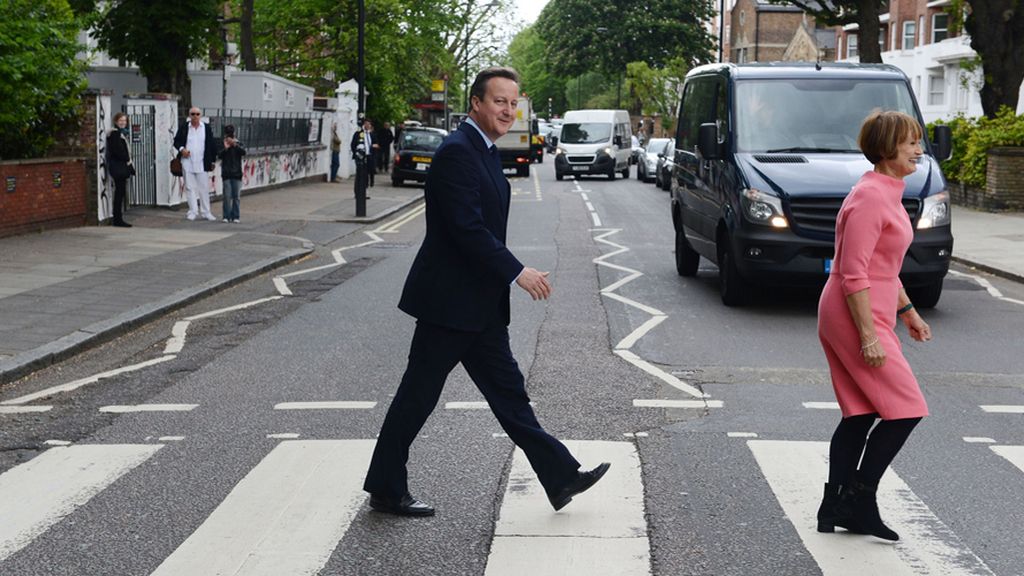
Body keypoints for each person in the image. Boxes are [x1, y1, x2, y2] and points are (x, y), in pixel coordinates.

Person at [363, 67, 610, 518]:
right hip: (450, 304)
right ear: (476, 103)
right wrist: (517, 272)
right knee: (417, 397)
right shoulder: (458, 152)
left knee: (510, 396)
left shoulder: (484, 151)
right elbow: (467, 229)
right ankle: (385, 486)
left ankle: (560, 476)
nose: (508, 111)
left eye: (513, 103)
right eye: (499, 101)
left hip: (480, 306)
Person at [815, 110, 932, 542]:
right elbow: (853, 273)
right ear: (886, 149)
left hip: (871, 309)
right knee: (907, 409)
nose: (918, 150)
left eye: (918, 142)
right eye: (910, 143)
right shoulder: (869, 198)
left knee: (861, 412)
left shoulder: (886, 192)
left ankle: (834, 505)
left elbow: (884, 266)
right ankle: (859, 500)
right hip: (853, 314)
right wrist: (868, 337)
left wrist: (908, 311)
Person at [173, 107, 219, 221]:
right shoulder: (184, 127)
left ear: (200, 115)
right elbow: (176, 141)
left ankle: (206, 212)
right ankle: (193, 211)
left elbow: (211, 144)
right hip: (187, 162)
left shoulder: (206, 128)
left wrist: (212, 160)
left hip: (202, 162)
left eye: (197, 114)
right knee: (189, 187)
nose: (195, 116)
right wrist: (182, 149)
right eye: (193, 114)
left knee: (204, 188)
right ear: (189, 115)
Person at [105, 112, 134, 228]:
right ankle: (117, 219)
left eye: (125, 121)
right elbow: (118, 151)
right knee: (119, 193)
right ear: (116, 121)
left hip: (120, 166)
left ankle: (118, 217)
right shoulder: (115, 134)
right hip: (119, 167)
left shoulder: (120, 134)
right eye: (121, 120)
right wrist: (126, 158)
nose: (123, 123)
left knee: (120, 193)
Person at [217, 125, 246, 223]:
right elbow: (219, 155)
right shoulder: (222, 144)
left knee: (236, 197)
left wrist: (235, 145)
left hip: (237, 174)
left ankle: (236, 216)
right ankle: (226, 216)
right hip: (226, 173)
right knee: (227, 196)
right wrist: (225, 148)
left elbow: (243, 152)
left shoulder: (238, 143)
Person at [351, 118, 377, 187]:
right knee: (363, 170)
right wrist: (356, 153)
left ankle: (371, 181)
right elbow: (353, 144)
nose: (367, 125)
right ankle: (365, 183)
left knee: (371, 169)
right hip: (362, 155)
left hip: (370, 154)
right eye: (366, 124)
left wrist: (374, 147)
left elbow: (376, 143)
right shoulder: (358, 134)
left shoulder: (372, 134)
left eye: (369, 124)